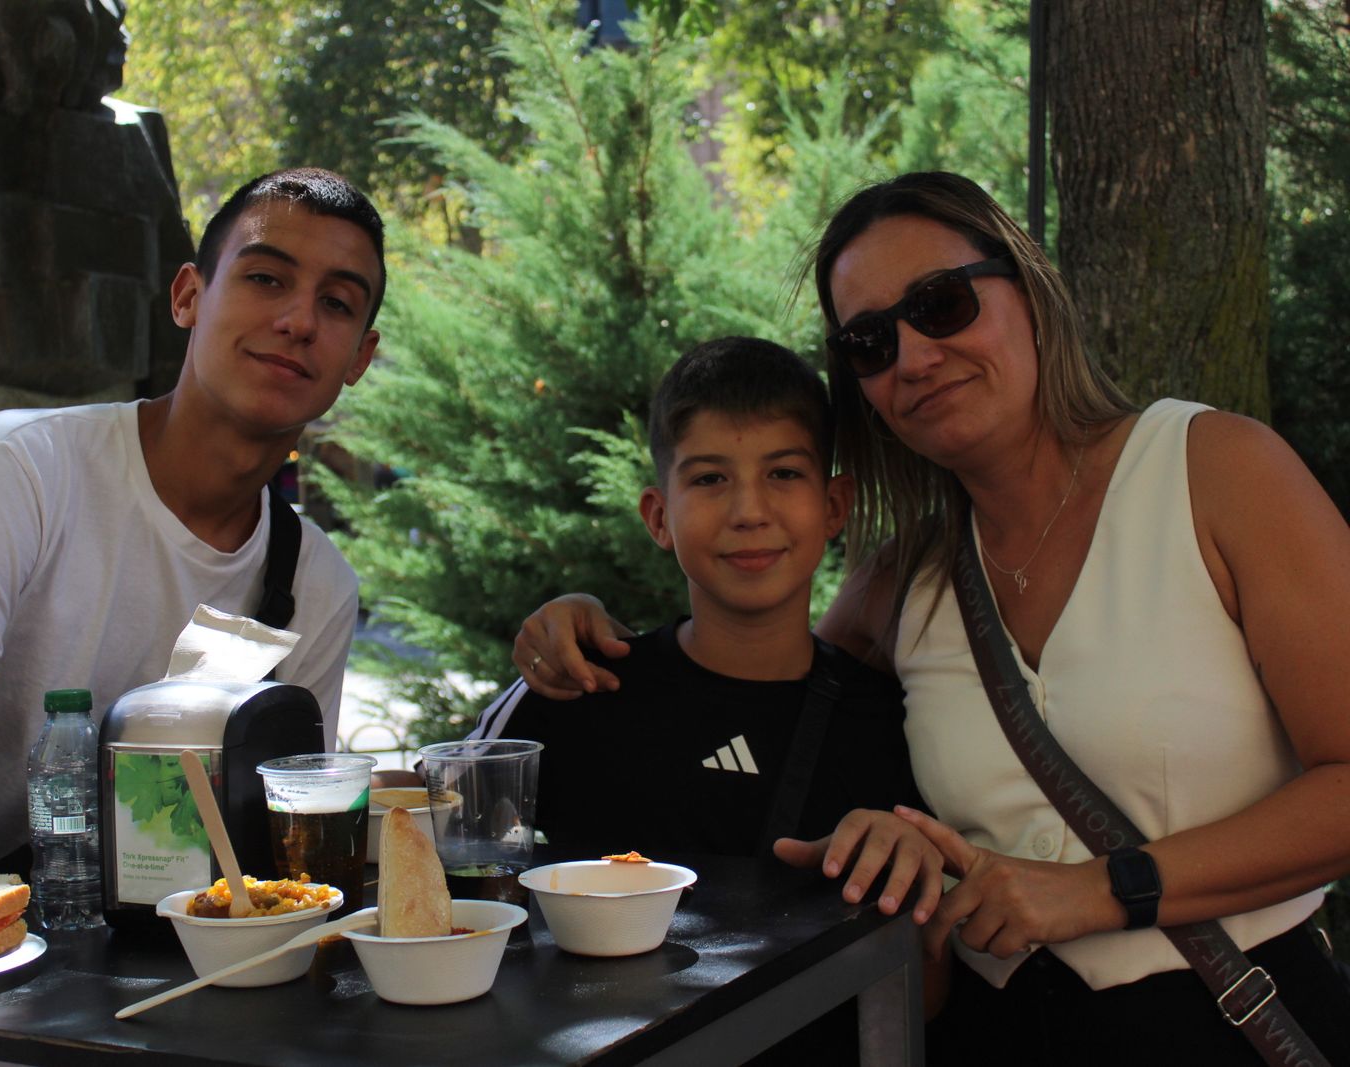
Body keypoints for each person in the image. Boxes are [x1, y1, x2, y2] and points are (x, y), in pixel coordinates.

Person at [513, 171, 1350, 1062]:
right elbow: (763, 691)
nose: (913, 357)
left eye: (942, 304)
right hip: (992, 1041)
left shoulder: (1213, 471)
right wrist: (589, 629)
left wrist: (1101, 889)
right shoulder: (900, 582)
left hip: (1225, 1023)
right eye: (870, 341)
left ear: (1028, 290)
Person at [0, 167, 385, 943]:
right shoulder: (21, 470)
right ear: (188, 297)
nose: (299, 320)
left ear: (360, 357)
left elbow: (278, 850)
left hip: (121, 957)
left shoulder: (315, 585)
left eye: (336, 303)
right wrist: (21, 996)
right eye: (266, 278)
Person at [472, 337, 927, 880]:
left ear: (834, 506)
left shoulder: (890, 723)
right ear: (659, 517)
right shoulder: (577, 690)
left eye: (783, 473)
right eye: (710, 478)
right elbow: (430, 827)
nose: (750, 511)